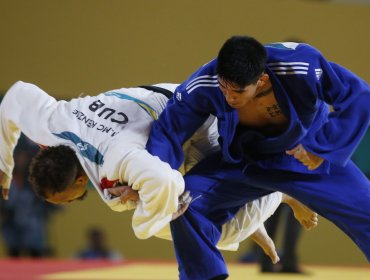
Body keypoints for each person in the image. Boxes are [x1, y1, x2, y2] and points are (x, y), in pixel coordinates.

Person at [0, 81, 317, 263]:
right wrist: (4, 165)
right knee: (155, 200)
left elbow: (167, 182)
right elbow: (15, 96)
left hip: (193, 118)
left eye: (67, 200)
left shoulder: (114, 162)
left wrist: (141, 221)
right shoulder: (52, 123)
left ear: (80, 178)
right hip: (160, 106)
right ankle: (255, 212)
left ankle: (279, 193)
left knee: (208, 226)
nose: (69, 204)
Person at [146, 35, 370, 279]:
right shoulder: (205, 81)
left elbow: (359, 95)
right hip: (245, 163)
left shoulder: (300, 63)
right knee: (185, 204)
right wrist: (151, 179)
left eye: (239, 91)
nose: (230, 97)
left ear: (261, 80)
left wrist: (322, 147)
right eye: (224, 88)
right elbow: (167, 131)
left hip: (306, 158)